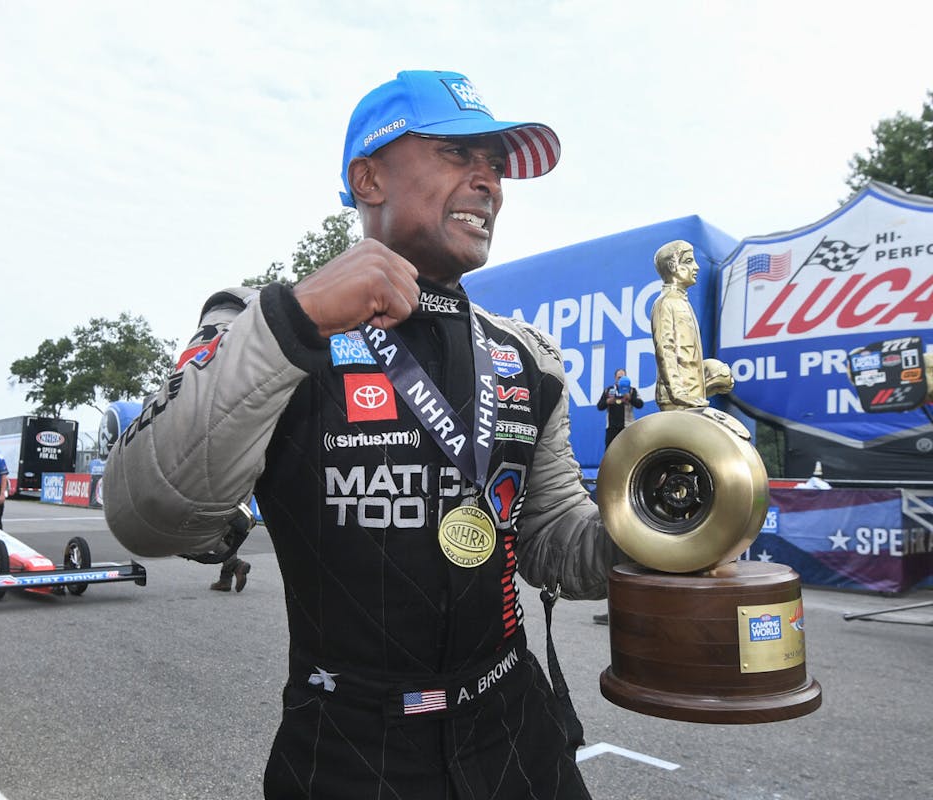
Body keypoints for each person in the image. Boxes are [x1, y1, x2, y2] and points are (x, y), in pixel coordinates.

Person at [104, 69, 623, 799]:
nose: (490, 183)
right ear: (369, 177)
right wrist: (296, 321)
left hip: (518, 737)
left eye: (497, 166)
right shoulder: (262, 321)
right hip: (350, 750)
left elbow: (554, 543)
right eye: (457, 154)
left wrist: (654, 537)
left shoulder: (526, 354)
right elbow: (143, 513)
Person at [650, 240, 734, 411]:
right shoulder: (665, 303)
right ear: (673, 266)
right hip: (677, 400)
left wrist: (714, 375)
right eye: (689, 261)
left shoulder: (682, 302)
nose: (696, 267)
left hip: (693, 396)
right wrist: (677, 392)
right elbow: (665, 350)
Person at [596, 367, 644, 449]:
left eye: (623, 377)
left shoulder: (632, 390)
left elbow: (640, 404)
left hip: (627, 426)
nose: (621, 379)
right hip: (611, 427)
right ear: (615, 378)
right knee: (610, 451)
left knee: (628, 450)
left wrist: (630, 398)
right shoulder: (608, 390)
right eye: (619, 377)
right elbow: (599, 406)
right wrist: (608, 401)